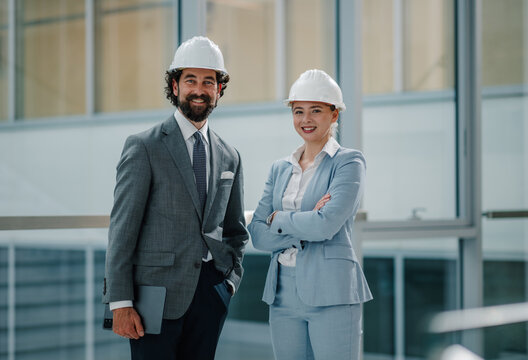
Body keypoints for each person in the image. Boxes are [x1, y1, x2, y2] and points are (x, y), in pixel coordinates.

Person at [102, 36, 249, 360]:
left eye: (208, 81)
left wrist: (229, 282)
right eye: (191, 80)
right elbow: (122, 230)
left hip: (210, 297)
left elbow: (235, 230)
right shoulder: (144, 147)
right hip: (151, 299)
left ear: (219, 89)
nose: (199, 89)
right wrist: (120, 302)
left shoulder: (230, 156)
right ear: (175, 85)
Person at [248, 69, 373, 360]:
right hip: (281, 293)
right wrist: (307, 220)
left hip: (332, 290)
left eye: (315, 110)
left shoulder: (348, 162)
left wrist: (278, 219)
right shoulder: (280, 168)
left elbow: (325, 226)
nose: (306, 120)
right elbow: (257, 234)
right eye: (298, 111)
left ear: (334, 115)